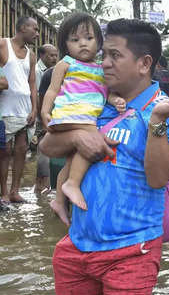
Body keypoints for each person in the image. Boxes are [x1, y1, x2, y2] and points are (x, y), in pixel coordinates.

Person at [40, 18, 169, 295]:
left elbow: (159, 177)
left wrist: (155, 123)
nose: (104, 62)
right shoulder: (97, 101)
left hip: (132, 244)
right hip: (82, 243)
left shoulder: (166, 109)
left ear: (144, 63)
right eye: (104, 55)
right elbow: (48, 146)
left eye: (114, 55)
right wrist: (83, 135)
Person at [41, 13, 127, 225]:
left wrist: (115, 100)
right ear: (65, 44)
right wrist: (45, 110)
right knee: (93, 139)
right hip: (70, 113)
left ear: (98, 40)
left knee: (71, 160)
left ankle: (59, 200)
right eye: (75, 40)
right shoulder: (66, 64)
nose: (83, 44)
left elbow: (106, 93)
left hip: (85, 117)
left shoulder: (100, 69)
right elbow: (52, 90)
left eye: (88, 38)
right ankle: (72, 183)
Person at [0, 15, 39, 204]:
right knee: (4, 151)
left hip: (25, 111)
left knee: (21, 150)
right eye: (35, 29)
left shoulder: (31, 55)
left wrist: (34, 110)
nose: (37, 34)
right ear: (23, 28)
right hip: (5, 109)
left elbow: (32, 85)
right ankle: (4, 193)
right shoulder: (2, 44)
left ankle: (15, 191)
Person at [34, 44, 59, 193]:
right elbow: (40, 98)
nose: (54, 58)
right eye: (51, 55)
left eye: (56, 55)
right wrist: (42, 120)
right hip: (46, 118)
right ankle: (41, 185)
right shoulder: (47, 74)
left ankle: (46, 186)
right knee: (44, 151)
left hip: (58, 119)